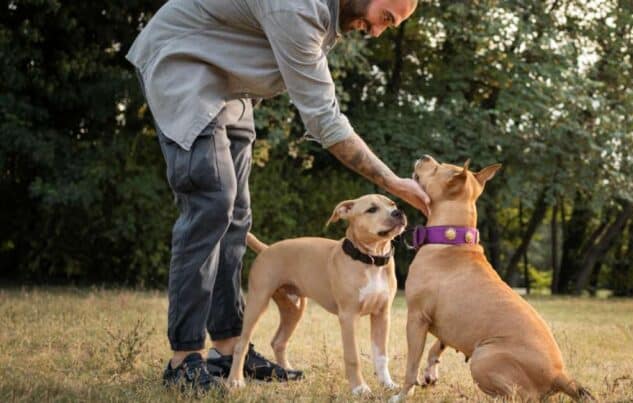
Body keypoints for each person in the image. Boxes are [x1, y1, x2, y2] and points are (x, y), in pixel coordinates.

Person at [127, 0, 427, 392]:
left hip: (229, 88)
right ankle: (184, 360)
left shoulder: (325, 19)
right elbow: (324, 120)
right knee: (213, 202)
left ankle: (228, 347)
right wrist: (394, 183)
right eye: (385, 18)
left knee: (237, 215)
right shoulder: (297, 9)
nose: (376, 31)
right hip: (183, 64)